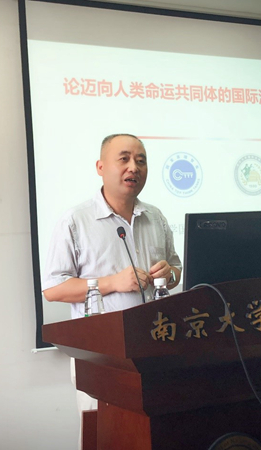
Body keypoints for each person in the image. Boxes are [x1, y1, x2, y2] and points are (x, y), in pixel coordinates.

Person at [41, 134, 182, 427]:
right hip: (101, 360)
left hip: (154, 352)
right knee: (104, 437)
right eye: (124, 159)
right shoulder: (75, 221)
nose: (134, 167)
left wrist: (169, 273)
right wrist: (112, 283)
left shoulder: (155, 217)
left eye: (141, 161)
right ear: (101, 167)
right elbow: (53, 289)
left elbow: (176, 269)